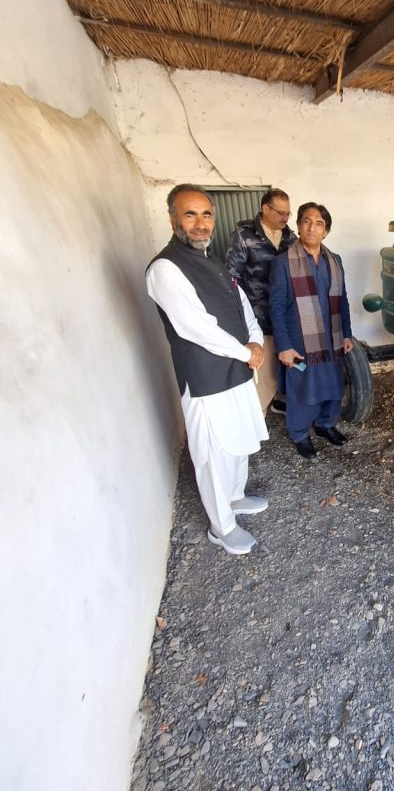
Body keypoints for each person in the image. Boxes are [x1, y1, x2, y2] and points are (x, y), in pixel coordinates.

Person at [146, 184, 270, 556]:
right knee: (213, 452)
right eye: (190, 214)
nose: (200, 223)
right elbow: (193, 326)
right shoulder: (165, 268)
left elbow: (242, 303)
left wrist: (256, 341)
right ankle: (222, 526)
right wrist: (243, 351)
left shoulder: (213, 261)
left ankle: (234, 497)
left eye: (206, 214)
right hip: (204, 377)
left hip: (237, 366)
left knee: (238, 439)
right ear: (173, 219)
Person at [269, 202, 353, 459]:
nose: (312, 227)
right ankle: (299, 434)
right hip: (301, 341)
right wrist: (283, 345)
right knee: (303, 389)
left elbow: (343, 299)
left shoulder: (334, 260)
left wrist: (347, 333)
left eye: (318, 223)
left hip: (332, 337)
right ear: (298, 226)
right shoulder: (283, 263)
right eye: (307, 221)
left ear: (325, 231)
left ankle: (326, 424)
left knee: (333, 385)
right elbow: (276, 306)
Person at [226, 189, 296, 415]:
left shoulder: (289, 237)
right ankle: (258, 414)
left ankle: (279, 401)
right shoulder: (244, 235)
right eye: (281, 213)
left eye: (288, 214)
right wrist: (239, 314)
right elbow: (232, 277)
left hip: (284, 312)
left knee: (283, 361)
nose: (285, 218)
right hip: (258, 313)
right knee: (262, 367)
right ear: (265, 209)